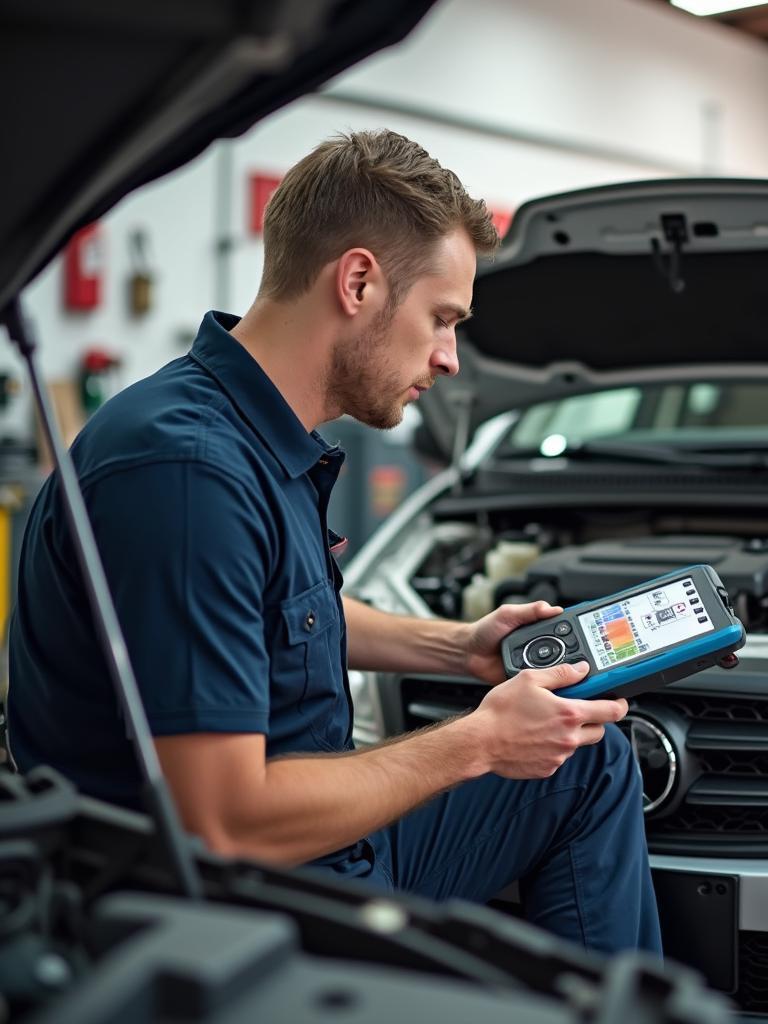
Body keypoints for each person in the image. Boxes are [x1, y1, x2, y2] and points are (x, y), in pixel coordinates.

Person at [7, 130, 661, 954]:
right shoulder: (186, 476)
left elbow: (285, 611)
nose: (450, 358)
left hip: (321, 855)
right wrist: (480, 741)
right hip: (243, 909)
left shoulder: (251, 433)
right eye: (441, 319)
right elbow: (223, 821)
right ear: (357, 282)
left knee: (584, 759)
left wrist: (460, 648)